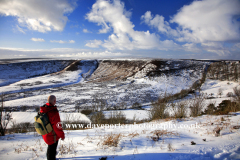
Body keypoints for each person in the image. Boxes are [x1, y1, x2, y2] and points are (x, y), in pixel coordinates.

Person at [40, 95, 65, 160]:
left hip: (45, 133)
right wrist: (62, 135)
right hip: (52, 136)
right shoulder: (53, 112)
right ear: (54, 101)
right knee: (52, 151)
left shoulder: (43, 109)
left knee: (50, 149)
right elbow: (57, 127)